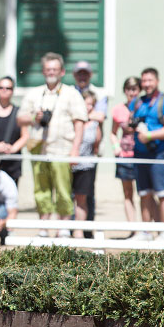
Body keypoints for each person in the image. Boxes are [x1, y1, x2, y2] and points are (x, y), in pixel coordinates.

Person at [17, 53, 87, 234]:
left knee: (63, 189)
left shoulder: (71, 93)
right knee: (41, 189)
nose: (51, 72)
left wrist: (75, 150)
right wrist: (35, 117)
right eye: (48, 69)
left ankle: (63, 226)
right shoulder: (34, 93)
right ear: (43, 71)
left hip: (62, 149)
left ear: (62, 71)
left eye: (55, 69)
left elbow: (80, 122)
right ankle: (44, 227)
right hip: (39, 148)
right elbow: (20, 118)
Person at [128, 67, 164, 241]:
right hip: (139, 154)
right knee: (144, 193)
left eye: (150, 80)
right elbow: (129, 121)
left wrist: (149, 135)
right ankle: (146, 231)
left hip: (158, 153)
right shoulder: (137, 102)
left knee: (161, 192)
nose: (147, 84)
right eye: (144, 81)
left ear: (157, 81)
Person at [72, 61, 106, 235]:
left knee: (87, 195)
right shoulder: (70, 92)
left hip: (89, 157)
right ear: (74, 75)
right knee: (70, 196)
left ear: (90, 75)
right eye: (79, 73)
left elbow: (101, 116)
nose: (82, 77)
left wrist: (82, 116)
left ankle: (86, 230)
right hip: (71, 156)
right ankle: (71, 229)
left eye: (85, 73)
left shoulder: (98, 93)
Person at [110, 76, 141, 235]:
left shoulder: (144, 107)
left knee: (144, 193)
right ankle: (133, 229)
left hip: (141, 155)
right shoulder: (118, 109)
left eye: (134, 89)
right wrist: (116, 148)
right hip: (124, 156)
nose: (131, 93)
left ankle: (147, 229)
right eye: (129, 89)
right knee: (128, 193)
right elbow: (113, 132)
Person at [71, 91, 102, 239]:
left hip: (86, 166)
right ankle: (64, 229)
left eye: (91, 104)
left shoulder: (95, 124)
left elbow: (97, 146)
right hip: (70, 164)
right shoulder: (72, 120)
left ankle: (79, 230)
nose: (88, 107)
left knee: (82, 199)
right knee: (66, 197)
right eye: (86, 103)